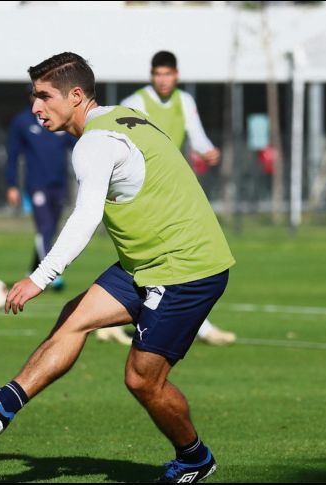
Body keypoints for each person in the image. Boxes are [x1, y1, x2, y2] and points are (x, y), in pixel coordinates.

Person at [0, 52, 235, 483]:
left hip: (185, 268)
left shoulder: (94, 144)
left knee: (141, 379)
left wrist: (40, 277)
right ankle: (3, 404)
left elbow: (85, 217)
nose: (35, 108)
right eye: (33, 97)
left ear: (76, 96)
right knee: (75, 317)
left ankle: (195, 458)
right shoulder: (122, 115)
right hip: (147, 261)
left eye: (44, 97)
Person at [119, 50, 236, 347]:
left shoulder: (185, 101)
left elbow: (196, 136)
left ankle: (109, 320)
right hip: (144, 191)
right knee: (171, 254)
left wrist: (207, 150)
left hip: (172, 189)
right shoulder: (135, 103)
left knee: (172, 254)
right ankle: (200, 326)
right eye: (157, 74)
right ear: (151, 75)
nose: (162, 79)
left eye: (167, 74)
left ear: (176, 75)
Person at [5, 94, 76, 290]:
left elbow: (77, 145)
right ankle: (53, 275)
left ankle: (32, 270)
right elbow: (12, 154)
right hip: (36, 186)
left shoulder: (58, 120)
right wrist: (11, 185)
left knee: (51, 230)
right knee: (44, 228)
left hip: (59, 185)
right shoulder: (22, 122)